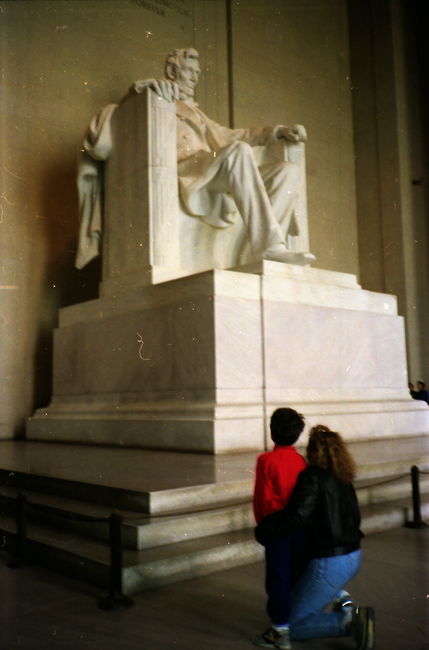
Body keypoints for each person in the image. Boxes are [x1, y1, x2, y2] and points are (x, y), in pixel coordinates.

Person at [76, 48, 315, 269]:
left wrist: (277, 132)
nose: (194, 78)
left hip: (212, 168)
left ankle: (255, 257)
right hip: (185, 171)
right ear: (171, 71)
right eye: (189, 71)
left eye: (197, 73)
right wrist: (144, 90)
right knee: (239, 151)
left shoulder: (198, 114)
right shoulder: (152, 96)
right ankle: (270, 246)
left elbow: (234, 135)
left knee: (287, 171)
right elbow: (121, 118)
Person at [255, 425, 374, 650]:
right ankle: (345, 607)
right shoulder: (344, 476)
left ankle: (350, 621)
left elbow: (297, 515)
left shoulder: (312, 476)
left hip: (330, 562)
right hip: (352, 555)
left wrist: (265, 530)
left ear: (312, 451)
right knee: (302, 595)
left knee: (291, 625)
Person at [253, 408, 307, 650]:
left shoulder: (266, 460)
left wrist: (263, 526)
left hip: (277, 529)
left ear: (272, 431)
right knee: (295, 575)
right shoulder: (300, 460)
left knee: (277, 579)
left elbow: (262, 500)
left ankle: (279, 630)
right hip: (299, 527)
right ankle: (292, 620)